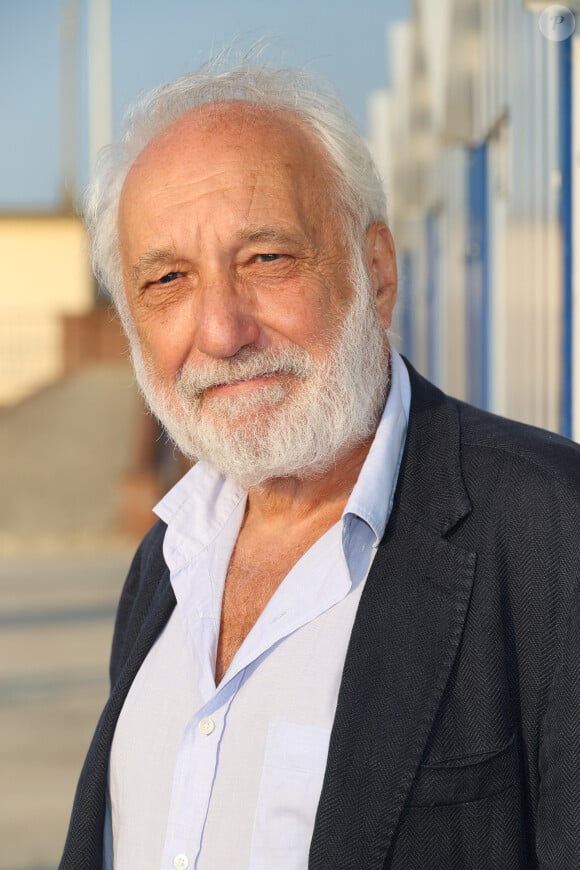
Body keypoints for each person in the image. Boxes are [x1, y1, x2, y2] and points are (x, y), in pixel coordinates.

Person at [60, 55, 580, 870]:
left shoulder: (552, 529)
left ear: (376, 272)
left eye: (267, 259)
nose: (223, 330)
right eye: (168, 279)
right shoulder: (167, 563)